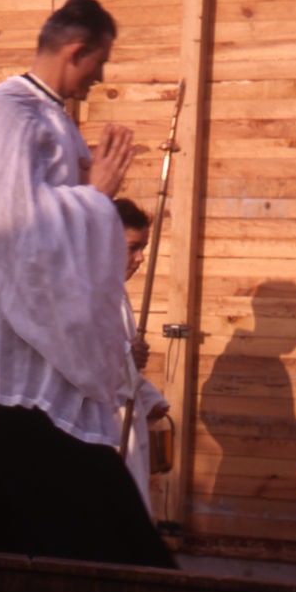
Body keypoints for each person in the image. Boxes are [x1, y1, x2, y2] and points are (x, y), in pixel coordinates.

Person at [0, 0, 177, 589]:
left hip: (14, 366)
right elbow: (20, 233)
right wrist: (96, 197)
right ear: (76, 50)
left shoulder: (44, 116)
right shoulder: (11, 115)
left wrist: (87, 196)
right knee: (106, 522)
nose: (101, 77)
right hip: (11, 360)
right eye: (100, 61)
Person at [113, 197, 170, 510]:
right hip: (101, 430)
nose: (140, 258)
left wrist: (149, 398)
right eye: (133, 247)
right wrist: (124, 356)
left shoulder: (117, 292)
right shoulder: (87, 294)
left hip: (126, 423)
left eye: (143, 248)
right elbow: (75, 361)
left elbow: (127, 375)